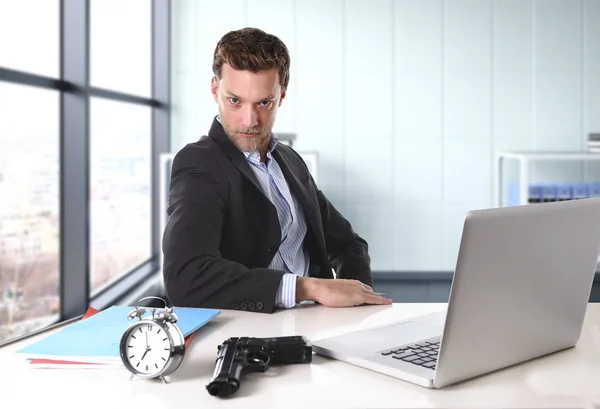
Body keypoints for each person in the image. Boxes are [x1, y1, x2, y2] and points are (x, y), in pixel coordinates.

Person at [162, 27, 392, 313]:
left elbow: (348, 243)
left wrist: (357, 306)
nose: (249, 120)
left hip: (320, 325)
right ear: (214, 90)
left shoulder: (290, 160)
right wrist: (308, 287)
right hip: (254, 333)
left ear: (281, 95)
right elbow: (187, 276)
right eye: (234, 100)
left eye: (263, 103)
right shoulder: (199, 163)